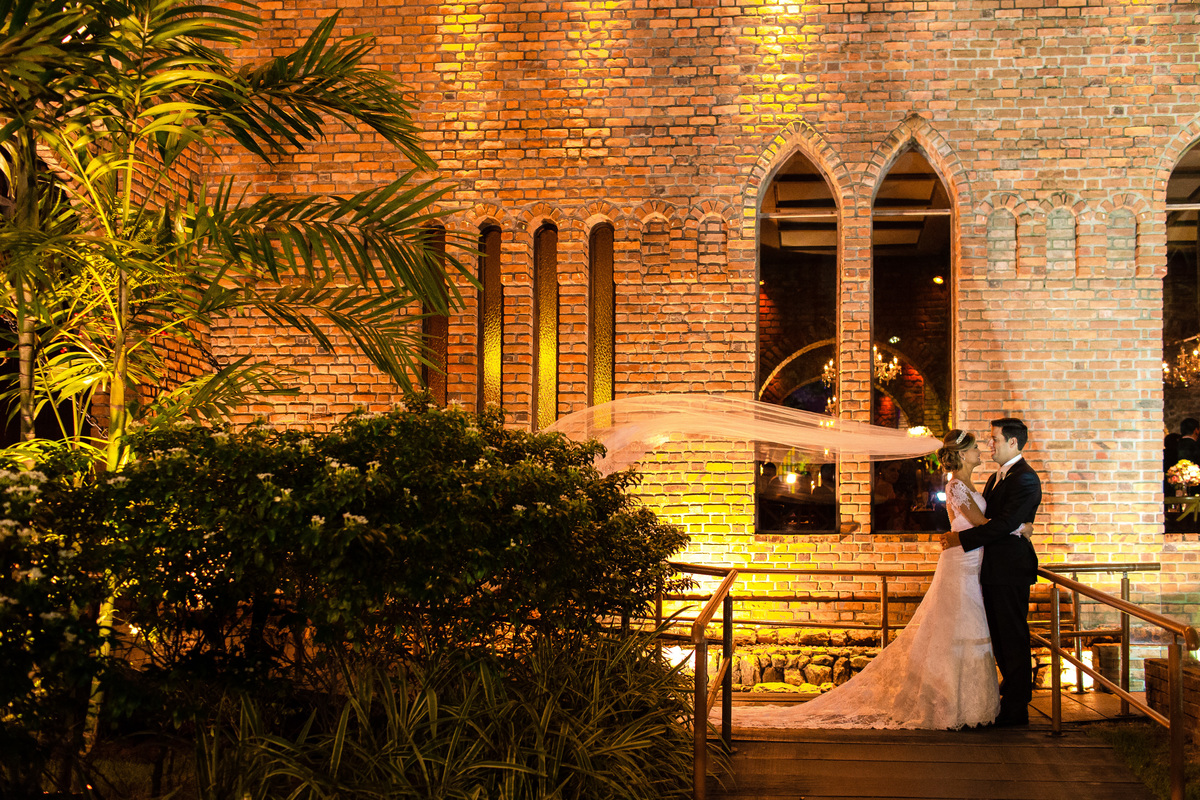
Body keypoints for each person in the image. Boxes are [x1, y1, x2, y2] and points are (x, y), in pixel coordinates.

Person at [730, 429, 1001, 730]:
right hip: (960, 563)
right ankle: (949, 706)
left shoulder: (972, 483)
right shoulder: (955, 486)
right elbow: (981, 523)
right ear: (962, 454)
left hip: (970, 559)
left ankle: (966, 704)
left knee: (965, 626)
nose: (980, 451)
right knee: (955, 626)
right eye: (975, 448)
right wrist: (1018, 528)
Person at [941, 417, 1041, 728]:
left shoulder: (1025, 478)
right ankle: (1002, 698)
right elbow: (997, 520)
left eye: (994, 439)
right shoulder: (996, 477)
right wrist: (1019, 527)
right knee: (999, 636)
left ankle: (1016, 707)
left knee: (1012, 637)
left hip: (1010, 570)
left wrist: (961, 539)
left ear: (1013, 442)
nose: (989, 445)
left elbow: (1004, 523)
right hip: (990, 568)